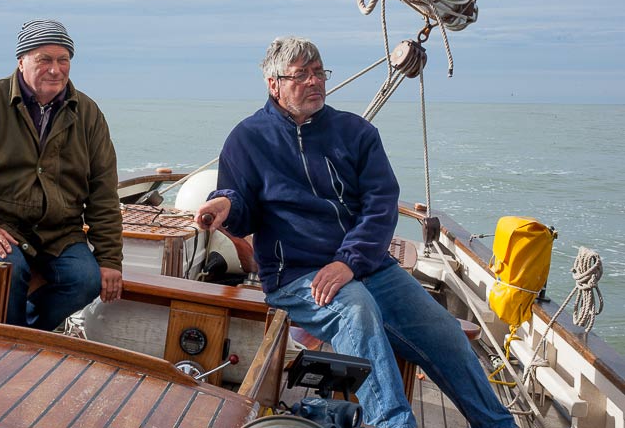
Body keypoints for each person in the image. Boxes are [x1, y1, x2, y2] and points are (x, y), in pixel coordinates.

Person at [196, 37, 517, 428]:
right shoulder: (247, 139)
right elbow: (243, 209)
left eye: (319, 73)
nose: (315, 82)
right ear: (274, 83)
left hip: (367, 266)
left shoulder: (356, 132)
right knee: (355, 308)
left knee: (446, 336)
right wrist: (224, 206)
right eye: (302, 75)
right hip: (295, 275)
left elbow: (381, 204)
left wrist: (349, 262)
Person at [0, 19, 123, 331]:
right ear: (21, 61)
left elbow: (103, 191)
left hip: (60, 232)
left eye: (63, 60)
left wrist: (110, 260)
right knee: (10, 270)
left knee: (86, 281)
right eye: (44, 59)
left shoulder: (88, 114)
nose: (55, 69)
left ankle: (22, 334)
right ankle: (11, 346)